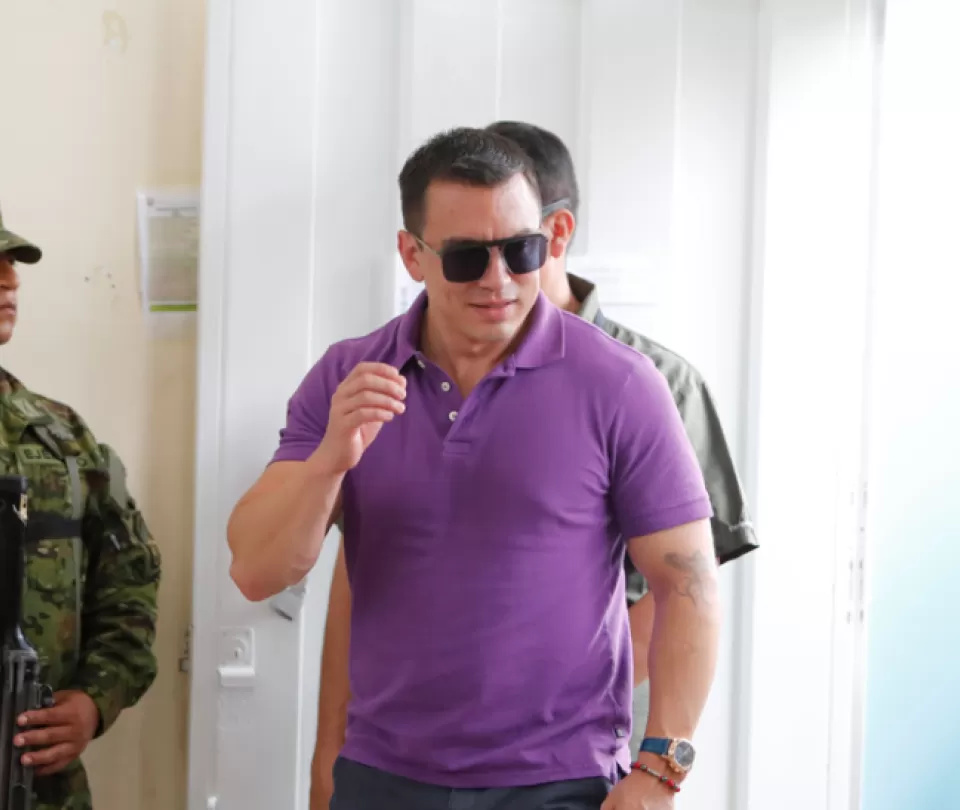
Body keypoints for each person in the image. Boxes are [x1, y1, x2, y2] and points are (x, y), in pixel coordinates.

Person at [229, 127, 721, 810]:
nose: (498, 280)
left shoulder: (621, 385)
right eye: (465, 258)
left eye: (520, 251)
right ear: (412, 255)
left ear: (548, 239)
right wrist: (328, 464)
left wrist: (661, 771)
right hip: (384, 777)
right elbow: (256, 571)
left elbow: (688, 583)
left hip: (560, 781)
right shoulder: (348, 376)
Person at [0, 208, 162, 810]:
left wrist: (95, 699)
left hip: (34, 784)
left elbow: (130, 580)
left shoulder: (62, 439)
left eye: (10, 265)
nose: (10, 280)